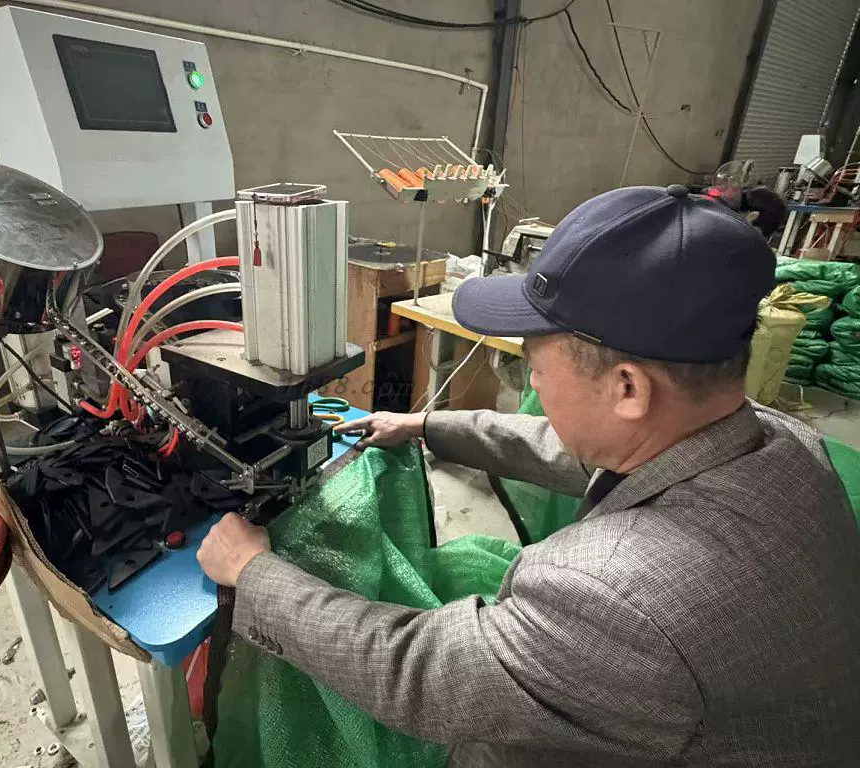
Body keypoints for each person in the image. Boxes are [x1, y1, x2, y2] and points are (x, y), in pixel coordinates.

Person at [198, 185, 860, 766]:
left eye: (536, 367)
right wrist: (427, 425)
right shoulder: (781, 442)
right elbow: (575, 449)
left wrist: (255, 575)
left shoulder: (617, 597)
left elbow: (416, 674)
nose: (532, 384)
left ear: (628, 388)